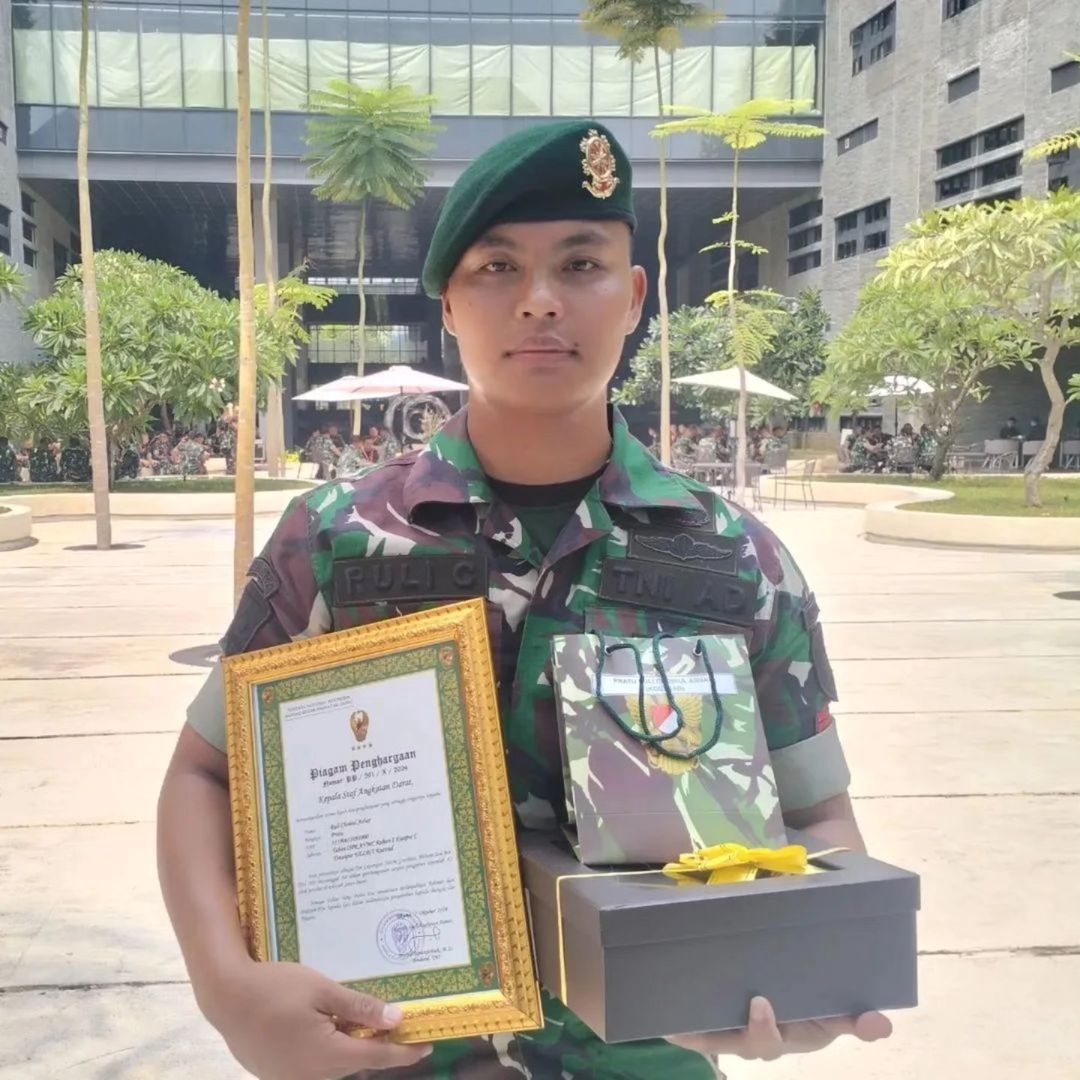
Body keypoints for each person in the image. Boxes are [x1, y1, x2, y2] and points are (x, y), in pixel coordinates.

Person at [158, 119, 888, 1080]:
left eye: (581, 265)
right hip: (385, 1054)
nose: (540, 300)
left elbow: (818, 814)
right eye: (497, 269)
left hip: (650, 1057)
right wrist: (226, 987)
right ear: (450, 309)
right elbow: (204, 775)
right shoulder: (336, 539)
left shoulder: (737, 559)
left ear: (634, 298)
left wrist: (810, 959)